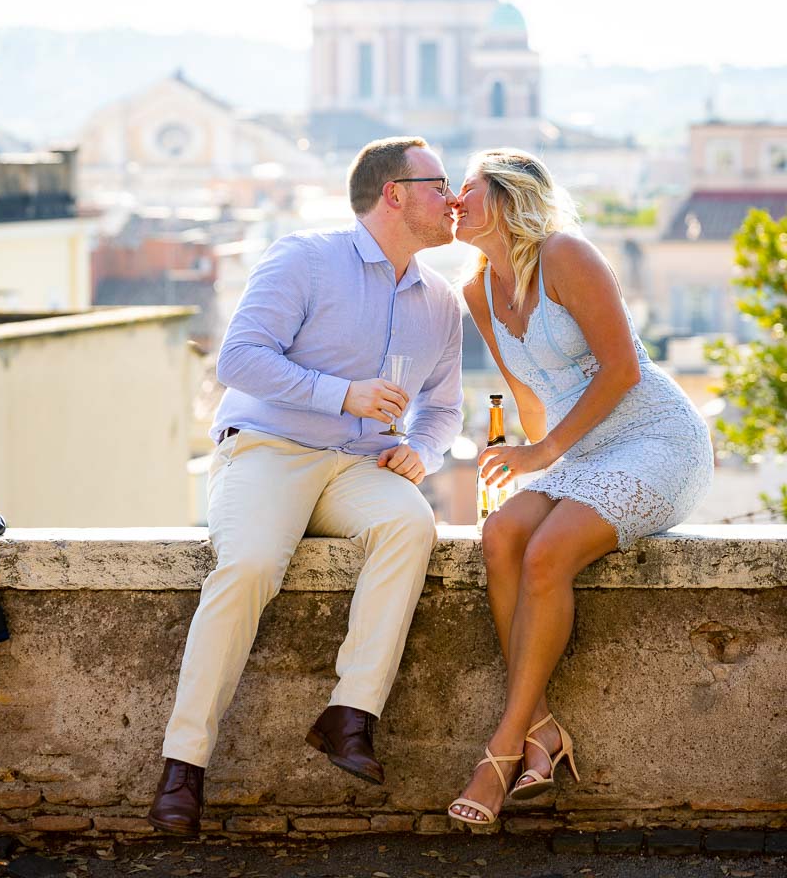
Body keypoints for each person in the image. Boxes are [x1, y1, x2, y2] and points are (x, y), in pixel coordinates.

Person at [147, 137, 463, 835]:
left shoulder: (442, 301)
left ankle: (350, 714)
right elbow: (239, 359)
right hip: (268, 450)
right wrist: (340, 395)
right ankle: (183, 765)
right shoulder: (305, 257)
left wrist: (423, 450)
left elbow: (443, 407)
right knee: (251, 565)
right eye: (441, 184)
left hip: (360, 469)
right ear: (395, 194)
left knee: (411, 524)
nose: (456, 199)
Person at [447, 148, 712, 826]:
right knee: (502, 533)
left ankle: (501, 754)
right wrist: (528, 460)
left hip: (654, 438)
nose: (454, 200)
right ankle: (542, 729)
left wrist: (542, 451)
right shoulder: (477, 289)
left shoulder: (567, 255)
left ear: (506, 200)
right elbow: (529, 392)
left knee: (546, 554)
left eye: (468, 189)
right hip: (580, 450)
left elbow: (622, 369)